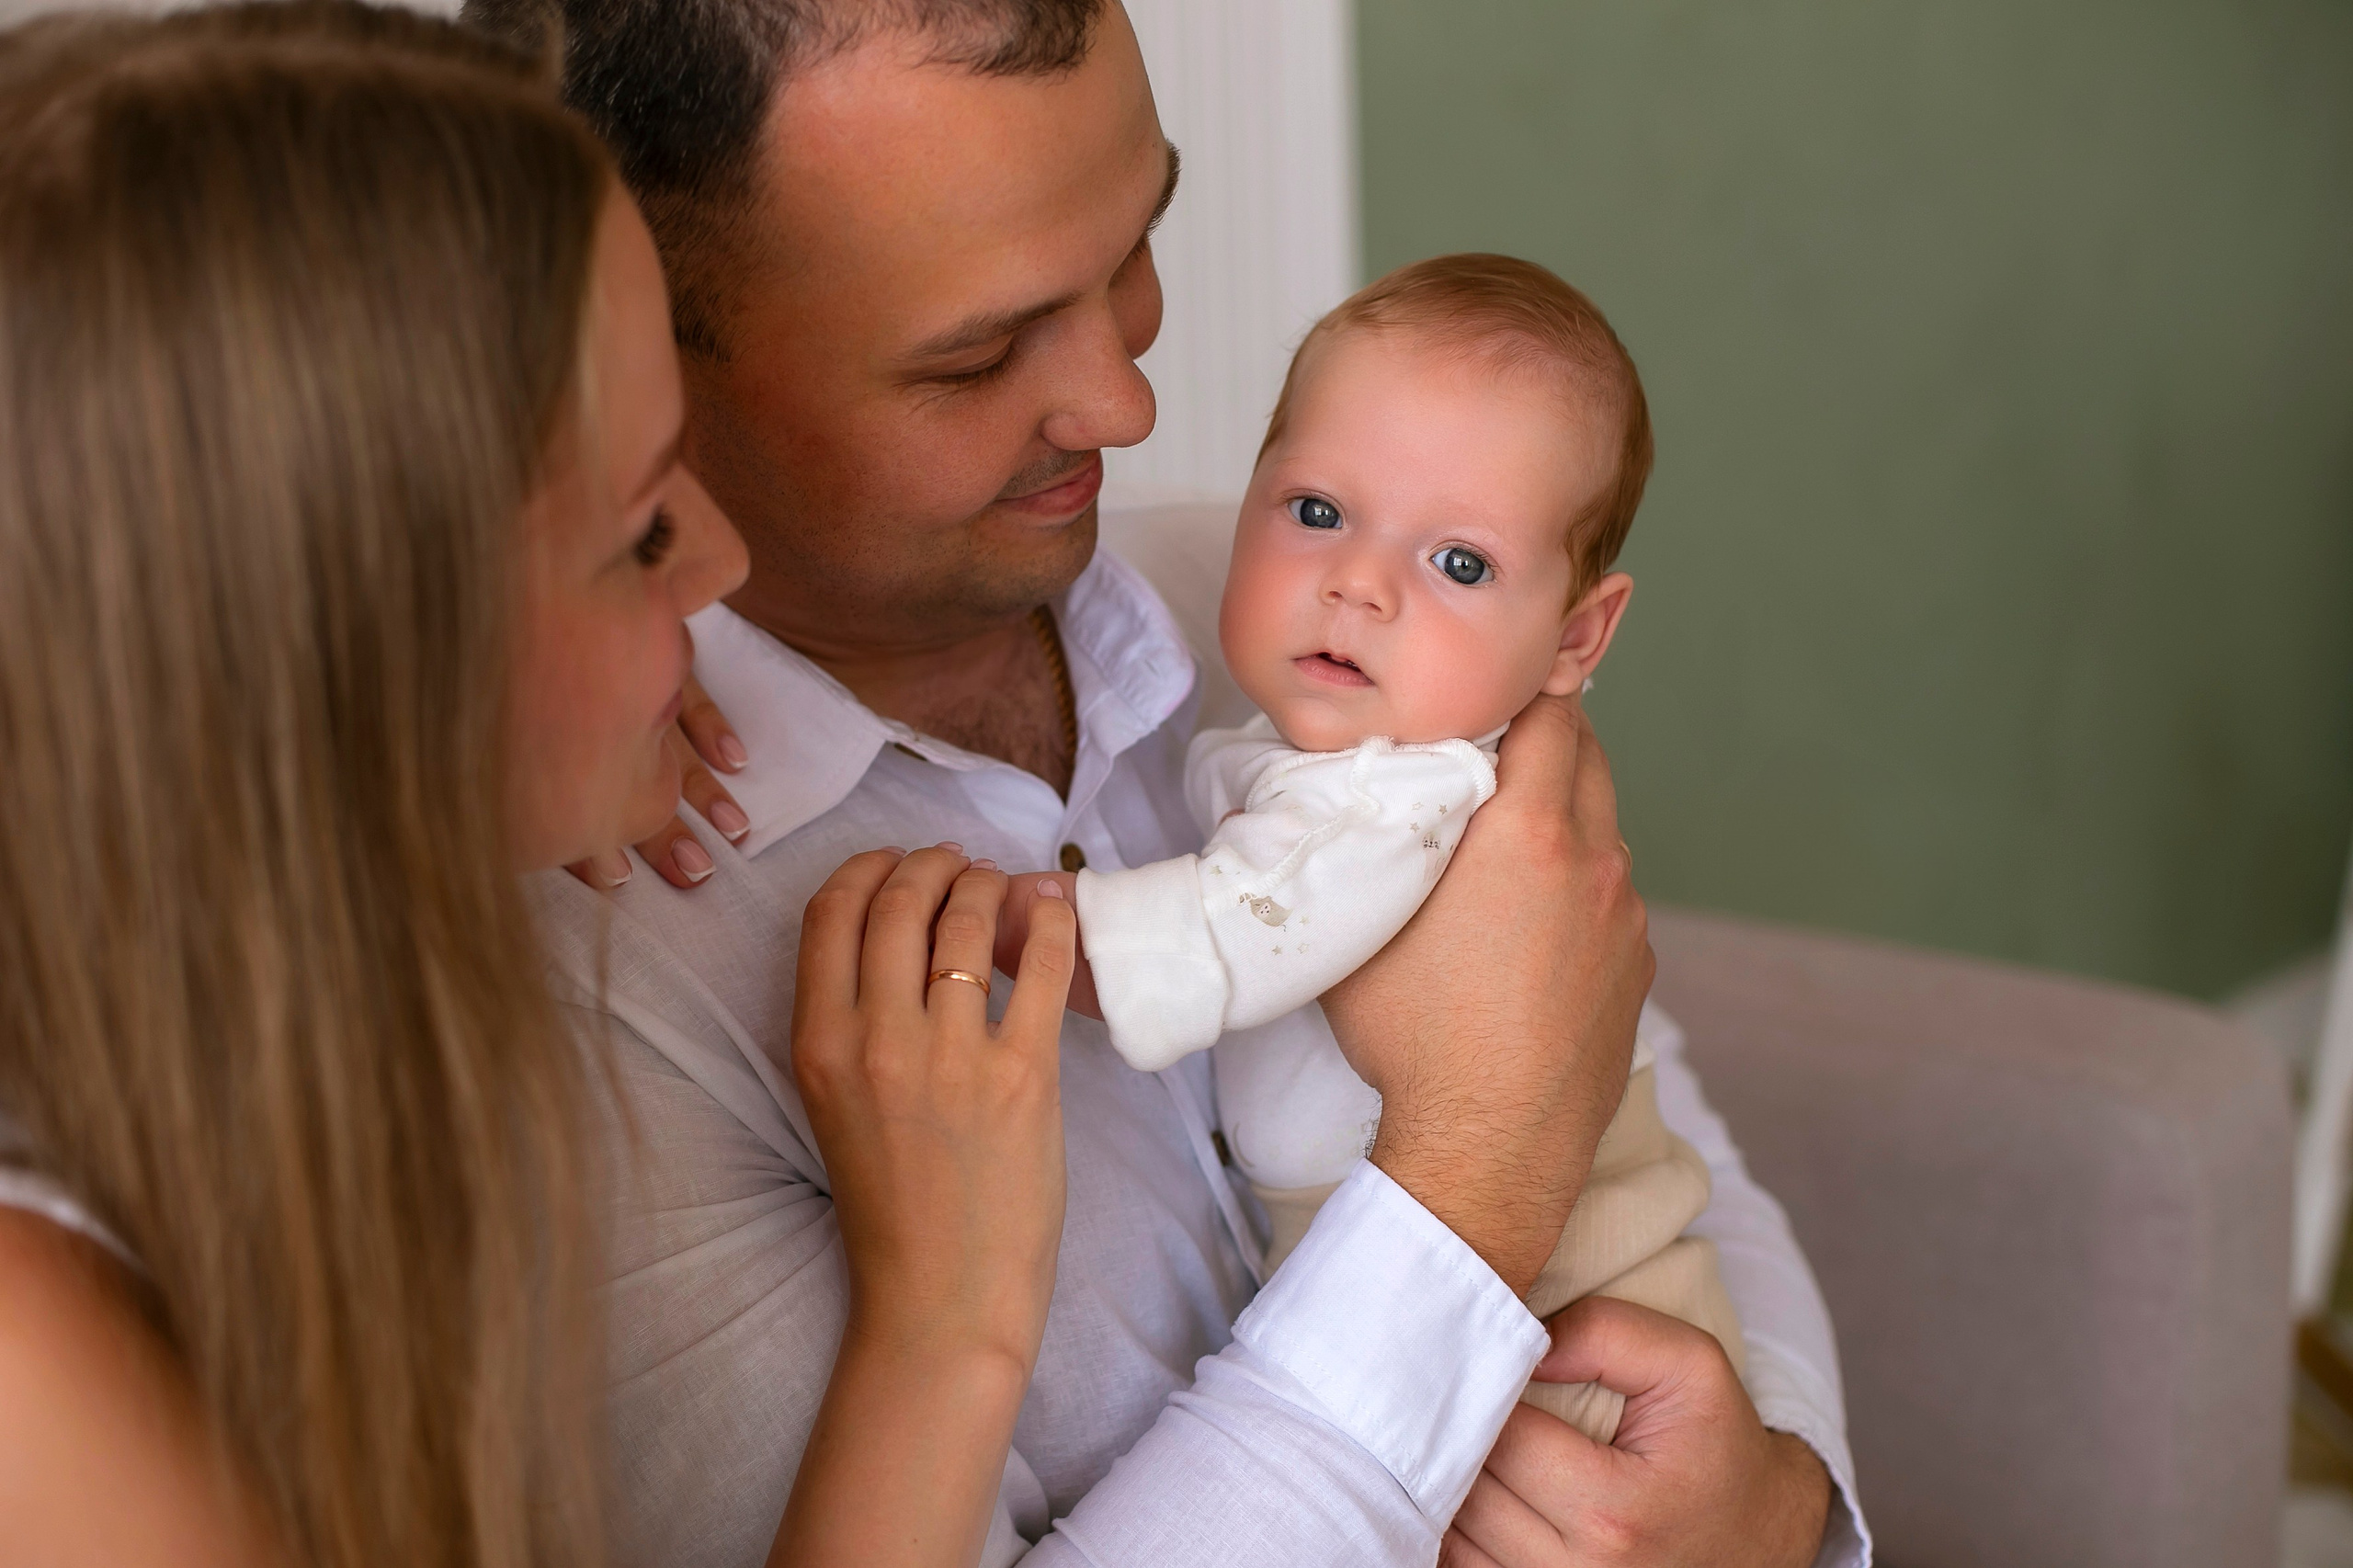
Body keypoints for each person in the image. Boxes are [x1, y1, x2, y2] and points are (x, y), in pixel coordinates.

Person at [465, 1, 1868, 1563]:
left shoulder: (1305, 609)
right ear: (635, 366)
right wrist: (1474, 1174)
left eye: (1135, 247)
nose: (1128, 406)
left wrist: (1782, 1501)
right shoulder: (578, 1005)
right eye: (978, 354)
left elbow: (1674, 1147)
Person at [0, 6, 1069, 1565]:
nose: (722, 567)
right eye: (642, 535)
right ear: (359, 672)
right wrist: (946, 1330)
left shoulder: (301, 1087)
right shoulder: (42, 1391)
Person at [983, 253, 1747, 1449]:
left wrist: (1038, 934)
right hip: (1474, 1340)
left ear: (1574, 635)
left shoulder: (1411, 794)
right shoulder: (1356, 754)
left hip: (1574, 1364)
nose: (1358, 584)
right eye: (1318, 511)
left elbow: (1250, 924)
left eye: (1459, 563)